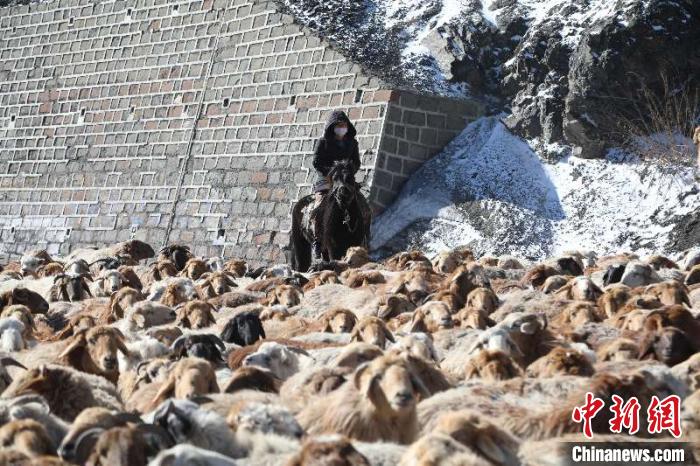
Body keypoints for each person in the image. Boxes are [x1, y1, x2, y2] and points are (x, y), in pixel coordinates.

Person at [309, 110, 361, 261]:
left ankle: (362, 234)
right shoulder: (323, 143)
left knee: (362, 204)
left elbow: (356, 162)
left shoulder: (353, 143)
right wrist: (332, 172)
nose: (341, 128)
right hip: (327, 179)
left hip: (345, 179)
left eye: (344, 125)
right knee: (318, 206)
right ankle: (318, 240)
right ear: (332, 127)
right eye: (338, 125)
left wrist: (348, 171)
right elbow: (316, 162)